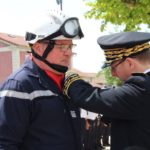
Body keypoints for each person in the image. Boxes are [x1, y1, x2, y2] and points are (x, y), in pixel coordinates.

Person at [0, 10, 84, 150]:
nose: (68, 52)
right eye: (61, 46)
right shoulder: (20, 85)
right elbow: (5, 144)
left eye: (70, 46)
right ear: (38, 48)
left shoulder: (67, 83)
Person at [63, 31, 150, 150]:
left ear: (129, 63)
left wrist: (69, 77)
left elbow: (90, 97)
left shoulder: (142, 87)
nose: (113, 74)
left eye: (114, 67)